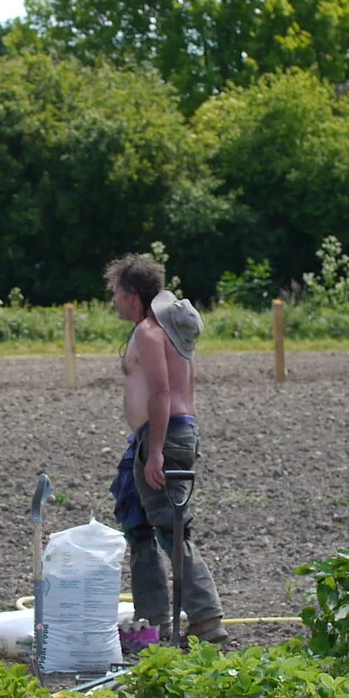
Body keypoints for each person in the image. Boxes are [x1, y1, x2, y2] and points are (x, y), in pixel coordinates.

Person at [105, 254, 224, 648]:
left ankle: (206, 618)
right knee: (139, 526)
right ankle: (151, 623)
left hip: (163, 436)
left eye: (116, 292)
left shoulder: (150, 332)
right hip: (158, 436)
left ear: (132, 293)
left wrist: (156, 451)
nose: (114, 300)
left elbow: (162, 391)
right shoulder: (168, 329)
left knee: (171, 530)